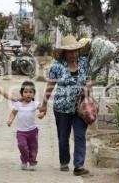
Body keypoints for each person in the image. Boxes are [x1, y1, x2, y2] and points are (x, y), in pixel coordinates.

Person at [39, 35, 93, 176]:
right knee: (63, 137)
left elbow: (95, 77)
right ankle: (64, 161)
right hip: (62, 108)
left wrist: (90, 84)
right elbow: (50, 86)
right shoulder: (57, 67)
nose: (73, 54)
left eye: (75, 51)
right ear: (64, 53)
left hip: (80, 107)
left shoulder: (84, 63)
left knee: (80, 135)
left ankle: (79, 166)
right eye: (70, 51)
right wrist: (44, 104)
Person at [7, 81, 44, 171]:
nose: (28, 94)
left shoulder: (35, 103)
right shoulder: (18, 104)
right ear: (22, 93)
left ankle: (32, 162)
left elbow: (42, 110)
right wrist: (10, 120)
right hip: (21, 132)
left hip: (33, 131)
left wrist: (41, 114)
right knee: (22, 145)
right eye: (26, 92)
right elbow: (13, 113)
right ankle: (24, 159)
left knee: (33, 148)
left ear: (34, 94)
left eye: (31, 92)